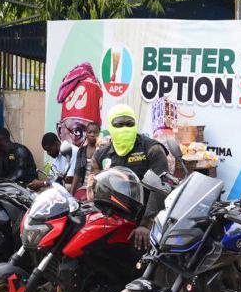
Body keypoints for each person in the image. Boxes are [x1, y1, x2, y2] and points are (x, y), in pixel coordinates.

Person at [89, 104, 170, 250]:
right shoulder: (101, 154)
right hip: (109, 222)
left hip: (141, 226)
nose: (125, 128)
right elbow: (91, 190)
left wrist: (147, 224)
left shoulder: (152, 149)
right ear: (110, 126)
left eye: (129, 124)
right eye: (119, 124)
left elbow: (161, 186)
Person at [69, 122, 101, 199]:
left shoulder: (102, 150)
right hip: (84, 187)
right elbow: (77, 174)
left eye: (95, 132)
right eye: (90, 132)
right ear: (86, 133)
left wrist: (89, 194)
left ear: (99, 134)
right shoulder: (82, 150)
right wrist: (70, 195)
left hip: (98, 188)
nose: (92, 134)